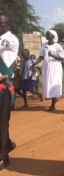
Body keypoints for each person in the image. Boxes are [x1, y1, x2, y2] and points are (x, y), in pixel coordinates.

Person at [0, 13, 18, 170]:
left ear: (9, 25)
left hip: (3, 86)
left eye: (1, 24)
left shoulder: (10, 39)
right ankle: (7, 144)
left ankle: (3, 157)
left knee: (2, 122)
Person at [32, 30, 64, 111]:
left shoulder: (57, 46)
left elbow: (62, 58)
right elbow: (41, 57)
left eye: (48, 34)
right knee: (47, 84)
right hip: (47, 67)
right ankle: (54, 99)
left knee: (53, 83)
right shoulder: (44, 45)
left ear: (53, 36)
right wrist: (33, 64)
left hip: (55, 67)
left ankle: (53, 105)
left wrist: (52, 55)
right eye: (46, 34)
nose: (46, 35)